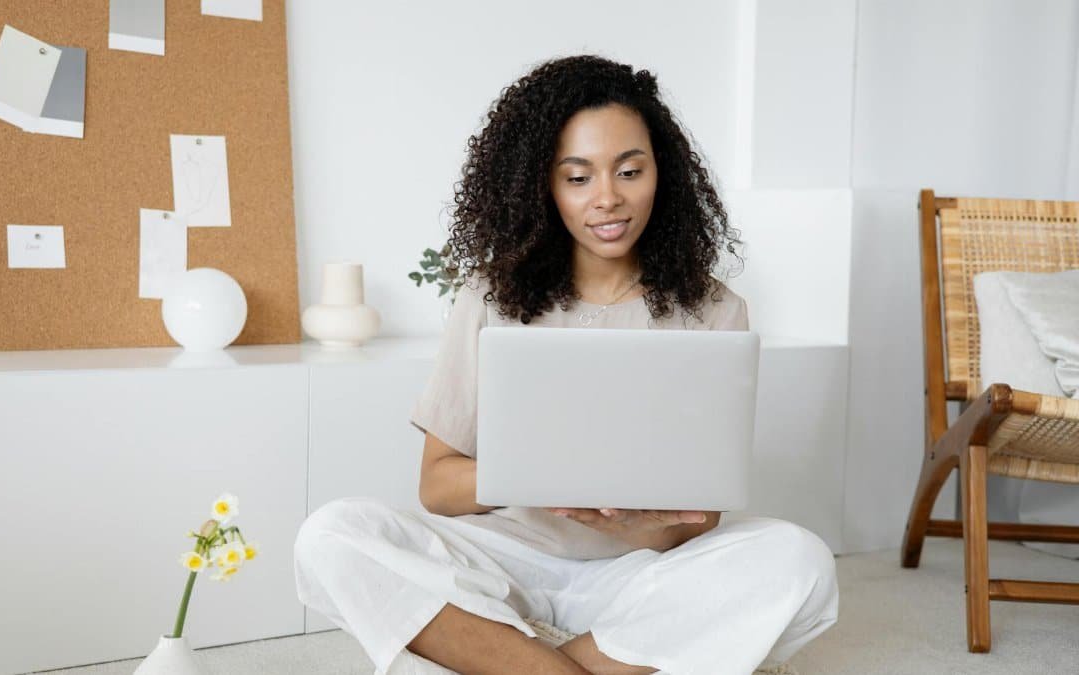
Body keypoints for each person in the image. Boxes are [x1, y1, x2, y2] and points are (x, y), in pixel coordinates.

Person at [294, 55, 838, 675]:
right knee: (331, 535)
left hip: (640, 574)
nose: (607, 199)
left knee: (799, 560)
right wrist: (540, 476)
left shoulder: (715, 309)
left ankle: (510, 661)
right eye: (577, 178)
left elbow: (700, 518)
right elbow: (438, 488)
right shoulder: (490, 297)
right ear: (542, 186)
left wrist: (635, 524)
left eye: (629, 171)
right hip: (501, 567)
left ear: (664, 173)